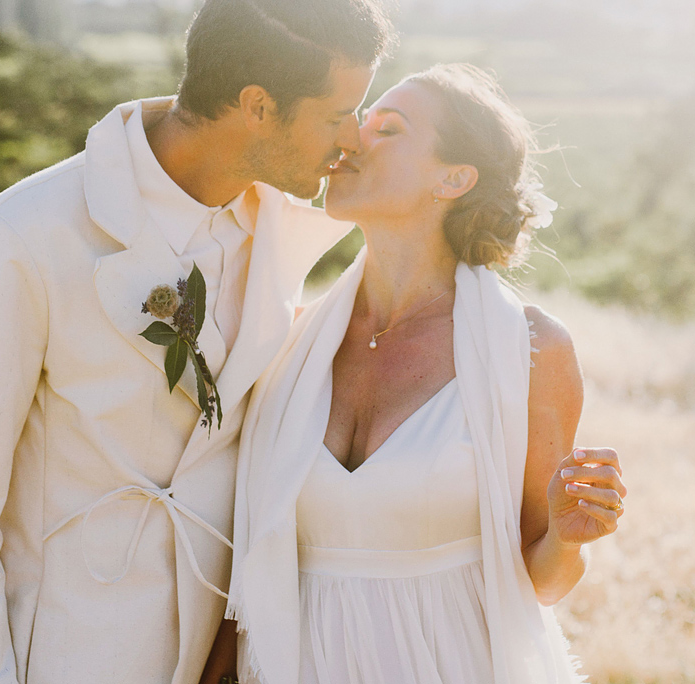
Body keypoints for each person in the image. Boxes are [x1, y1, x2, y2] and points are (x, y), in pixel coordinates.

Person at [0, 0, 394, 684]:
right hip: (68, 653)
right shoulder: (25, 235)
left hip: (230, 660)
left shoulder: (298, 229)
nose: (352, 139)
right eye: (337, 114)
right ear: (257, 105)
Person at [224, 63, 626, 684]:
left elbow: (542, 578)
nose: (353, 138)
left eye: (389, 128)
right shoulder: (288, 338)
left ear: (453, 178)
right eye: (362, 121)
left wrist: (569, 538)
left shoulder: (530, 350)